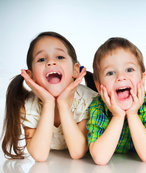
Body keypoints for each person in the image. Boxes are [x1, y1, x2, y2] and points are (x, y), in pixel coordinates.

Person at [1, 31, 97, 161]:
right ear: (31, 76)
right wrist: (48, 103)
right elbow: (39, 155)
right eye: (41, 59)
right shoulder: (28, 106)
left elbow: (77, 151)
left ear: (75, 70)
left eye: (60, 57)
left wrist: (62, 104)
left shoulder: (87, 101)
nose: (51, 62)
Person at [87, 37, 146, 165]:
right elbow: (100, 158)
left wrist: (132, 114)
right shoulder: (98, 107)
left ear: (142, 79)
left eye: (129, 70)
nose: (121, 77)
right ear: (99, 86)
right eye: (110, 73)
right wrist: (118, 116)